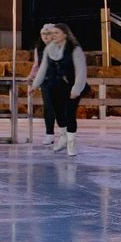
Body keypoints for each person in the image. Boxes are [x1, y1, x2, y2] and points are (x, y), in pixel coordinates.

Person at [31, 23, 87, 156]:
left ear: (65, 34)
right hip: (55, 86)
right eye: (52, 33)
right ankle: (63, 136)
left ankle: (71, 143)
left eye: (56, 33)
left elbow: (81, 71)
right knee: (59, 114)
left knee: (70, 114)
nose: (52, 36)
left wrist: (77, 88)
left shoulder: (74, 49)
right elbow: (42, 68)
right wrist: (35, 85)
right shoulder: (49, 49)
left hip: (71, 85)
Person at [28, 24, 58, 145]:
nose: (45, 36)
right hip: (46, 81)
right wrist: (31, 77)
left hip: (59, 81)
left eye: (48, 34)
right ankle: (49, 134)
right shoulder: (39, 48)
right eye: (43, 34)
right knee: (48, 107)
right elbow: (36, 65)